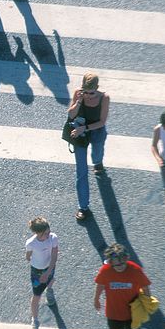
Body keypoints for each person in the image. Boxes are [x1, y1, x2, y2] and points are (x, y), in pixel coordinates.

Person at [94, 243, 151, 329]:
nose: (119, 267)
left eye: (122, 263)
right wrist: (96, 299)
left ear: (126, 259)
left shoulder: (135, 270)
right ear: (109, 262)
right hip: (113, 313)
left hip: (133, 312)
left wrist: (147, 302)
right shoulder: (105, 271)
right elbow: (100, 285)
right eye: (116, 265)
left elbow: (145, 286)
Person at [67, 72, 110, 221]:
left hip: (96, 131)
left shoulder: (104, 98)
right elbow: (71, 115)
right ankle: (83, 207)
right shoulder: (79, 94)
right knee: (81, 171)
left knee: (97, 155)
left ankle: (98, 163)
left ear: (97, 88)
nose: (89, 96)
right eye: (86, 92)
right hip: (80, 134)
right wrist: (78, 102)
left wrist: (84, 128)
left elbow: (102, 122)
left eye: (91, 93)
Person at [24, 217, 58, 329]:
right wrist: (44, 271)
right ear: (38, 233)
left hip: (49, 267)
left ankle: (49, 290)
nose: (49, 235)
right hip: (37, 272)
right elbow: (28, 256)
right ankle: (35, 321)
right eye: (46, 233)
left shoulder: (53, 238)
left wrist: (48, 272)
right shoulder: (31, 243)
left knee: (50, 280)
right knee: (36, 295)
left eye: (49, 231)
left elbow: (54, 256)